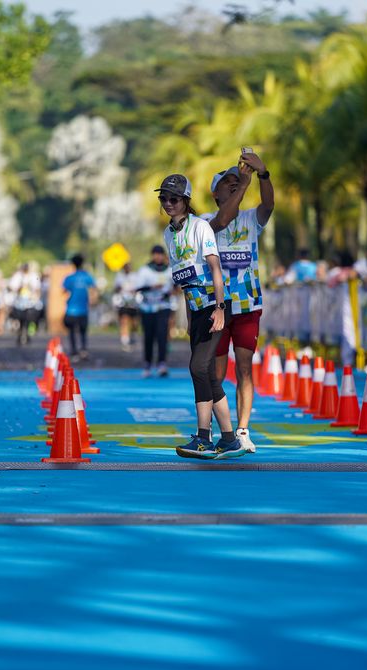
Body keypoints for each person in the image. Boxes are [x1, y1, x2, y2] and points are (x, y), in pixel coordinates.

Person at [156, 173, 244, 460]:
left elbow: (215, 269)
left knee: (198, 367)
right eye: (163, 198)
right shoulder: (169, 234)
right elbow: (184, 280)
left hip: (215, 306)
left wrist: (219, 308)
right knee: (206, 373)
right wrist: (189, 318)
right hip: (195, 309)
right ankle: (229, 440)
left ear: (186, 201)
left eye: (174, 198)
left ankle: (203, 438)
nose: (168, 203)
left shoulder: (200, 227)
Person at [202, 150, 274, 453]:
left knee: (245, 368)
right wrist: (244, 184)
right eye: (227, 182)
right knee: (216, 374)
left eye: (237, 180)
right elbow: (223, 219)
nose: (234, 183)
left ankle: (243, 430)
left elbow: (269, 205)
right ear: (215, 193)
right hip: (217, 308)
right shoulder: (204, 222)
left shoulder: (250, 219)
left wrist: (263, 174)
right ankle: (219, 430)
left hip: (247, 306)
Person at [134, 245, 174, 377]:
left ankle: (162, 363)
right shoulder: (145, 270)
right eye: (155, 254)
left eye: (160, 254)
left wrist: (171, 292)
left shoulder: (169, 270)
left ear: (163, 255)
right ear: (152, 255)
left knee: (162, 335)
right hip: (147, 308)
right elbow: (138, 288)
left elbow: (176, 287)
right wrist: (152, 287)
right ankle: (147, 364)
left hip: (163, 307)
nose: (158, 257)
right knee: (149, 336)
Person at [62, 253, 97, 361]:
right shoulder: (87, 277)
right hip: (83, 309)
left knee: (72, 331)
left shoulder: (70, 278)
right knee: (83, 331)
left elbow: (64, 291)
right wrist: (93, 301)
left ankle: (74, 351)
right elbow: (94, 290)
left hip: (71, 309)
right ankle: (83, 350)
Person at [9, 262, 43, 345]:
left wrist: (32, 290)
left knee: (28, 319)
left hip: (30, 302)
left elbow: (37, 287)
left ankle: (27, 334)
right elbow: (12, 287)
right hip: (19, 302)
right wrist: (19, 287)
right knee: (20, 319)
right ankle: (20, 334)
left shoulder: (33, 276)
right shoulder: (18, 276)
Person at [112, 262, 138, 352]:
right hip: (123, 302)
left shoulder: (135, 276)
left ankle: (132, 336)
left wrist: (134, 291)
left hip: (133, 303)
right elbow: (115, 288)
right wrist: (119, 288)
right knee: (124, 321)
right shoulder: (119, 277)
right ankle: (125, 340)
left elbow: (139, 288)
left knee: (134, 323)